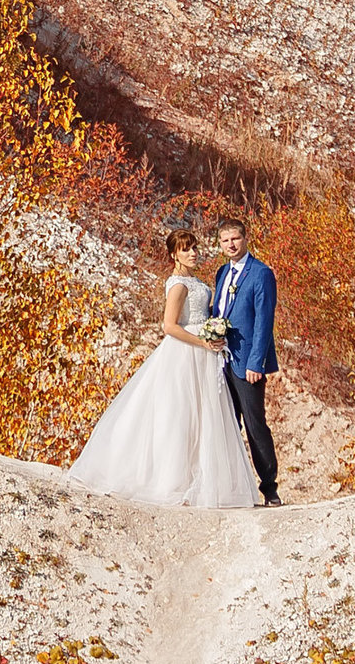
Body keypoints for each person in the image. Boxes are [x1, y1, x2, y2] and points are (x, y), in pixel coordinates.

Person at [64, 228, 263, 508]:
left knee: (203, 417)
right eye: (185, 249)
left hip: (204, 356)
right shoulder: (178, 284)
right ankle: (172, 480)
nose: (193, 253)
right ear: (173, 254)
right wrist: (202, 342)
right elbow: (169, 327)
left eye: (194, 248)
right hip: (185, 354)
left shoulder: (195, 280)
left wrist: (213, 336)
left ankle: (200, 479)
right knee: (179, 415)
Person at [211, 216, 283, 506]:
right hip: (221, 362)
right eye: (225, 240)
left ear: (245, 239)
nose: (231, 244)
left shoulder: (261, 273)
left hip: (247, 365)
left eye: (235, 239)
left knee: (255, 426)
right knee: (226, 425)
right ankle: (232, 489)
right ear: (219, 244)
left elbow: (265, 321)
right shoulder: (220, 273)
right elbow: (218, 311)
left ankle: (270, 488)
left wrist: (257, 362)